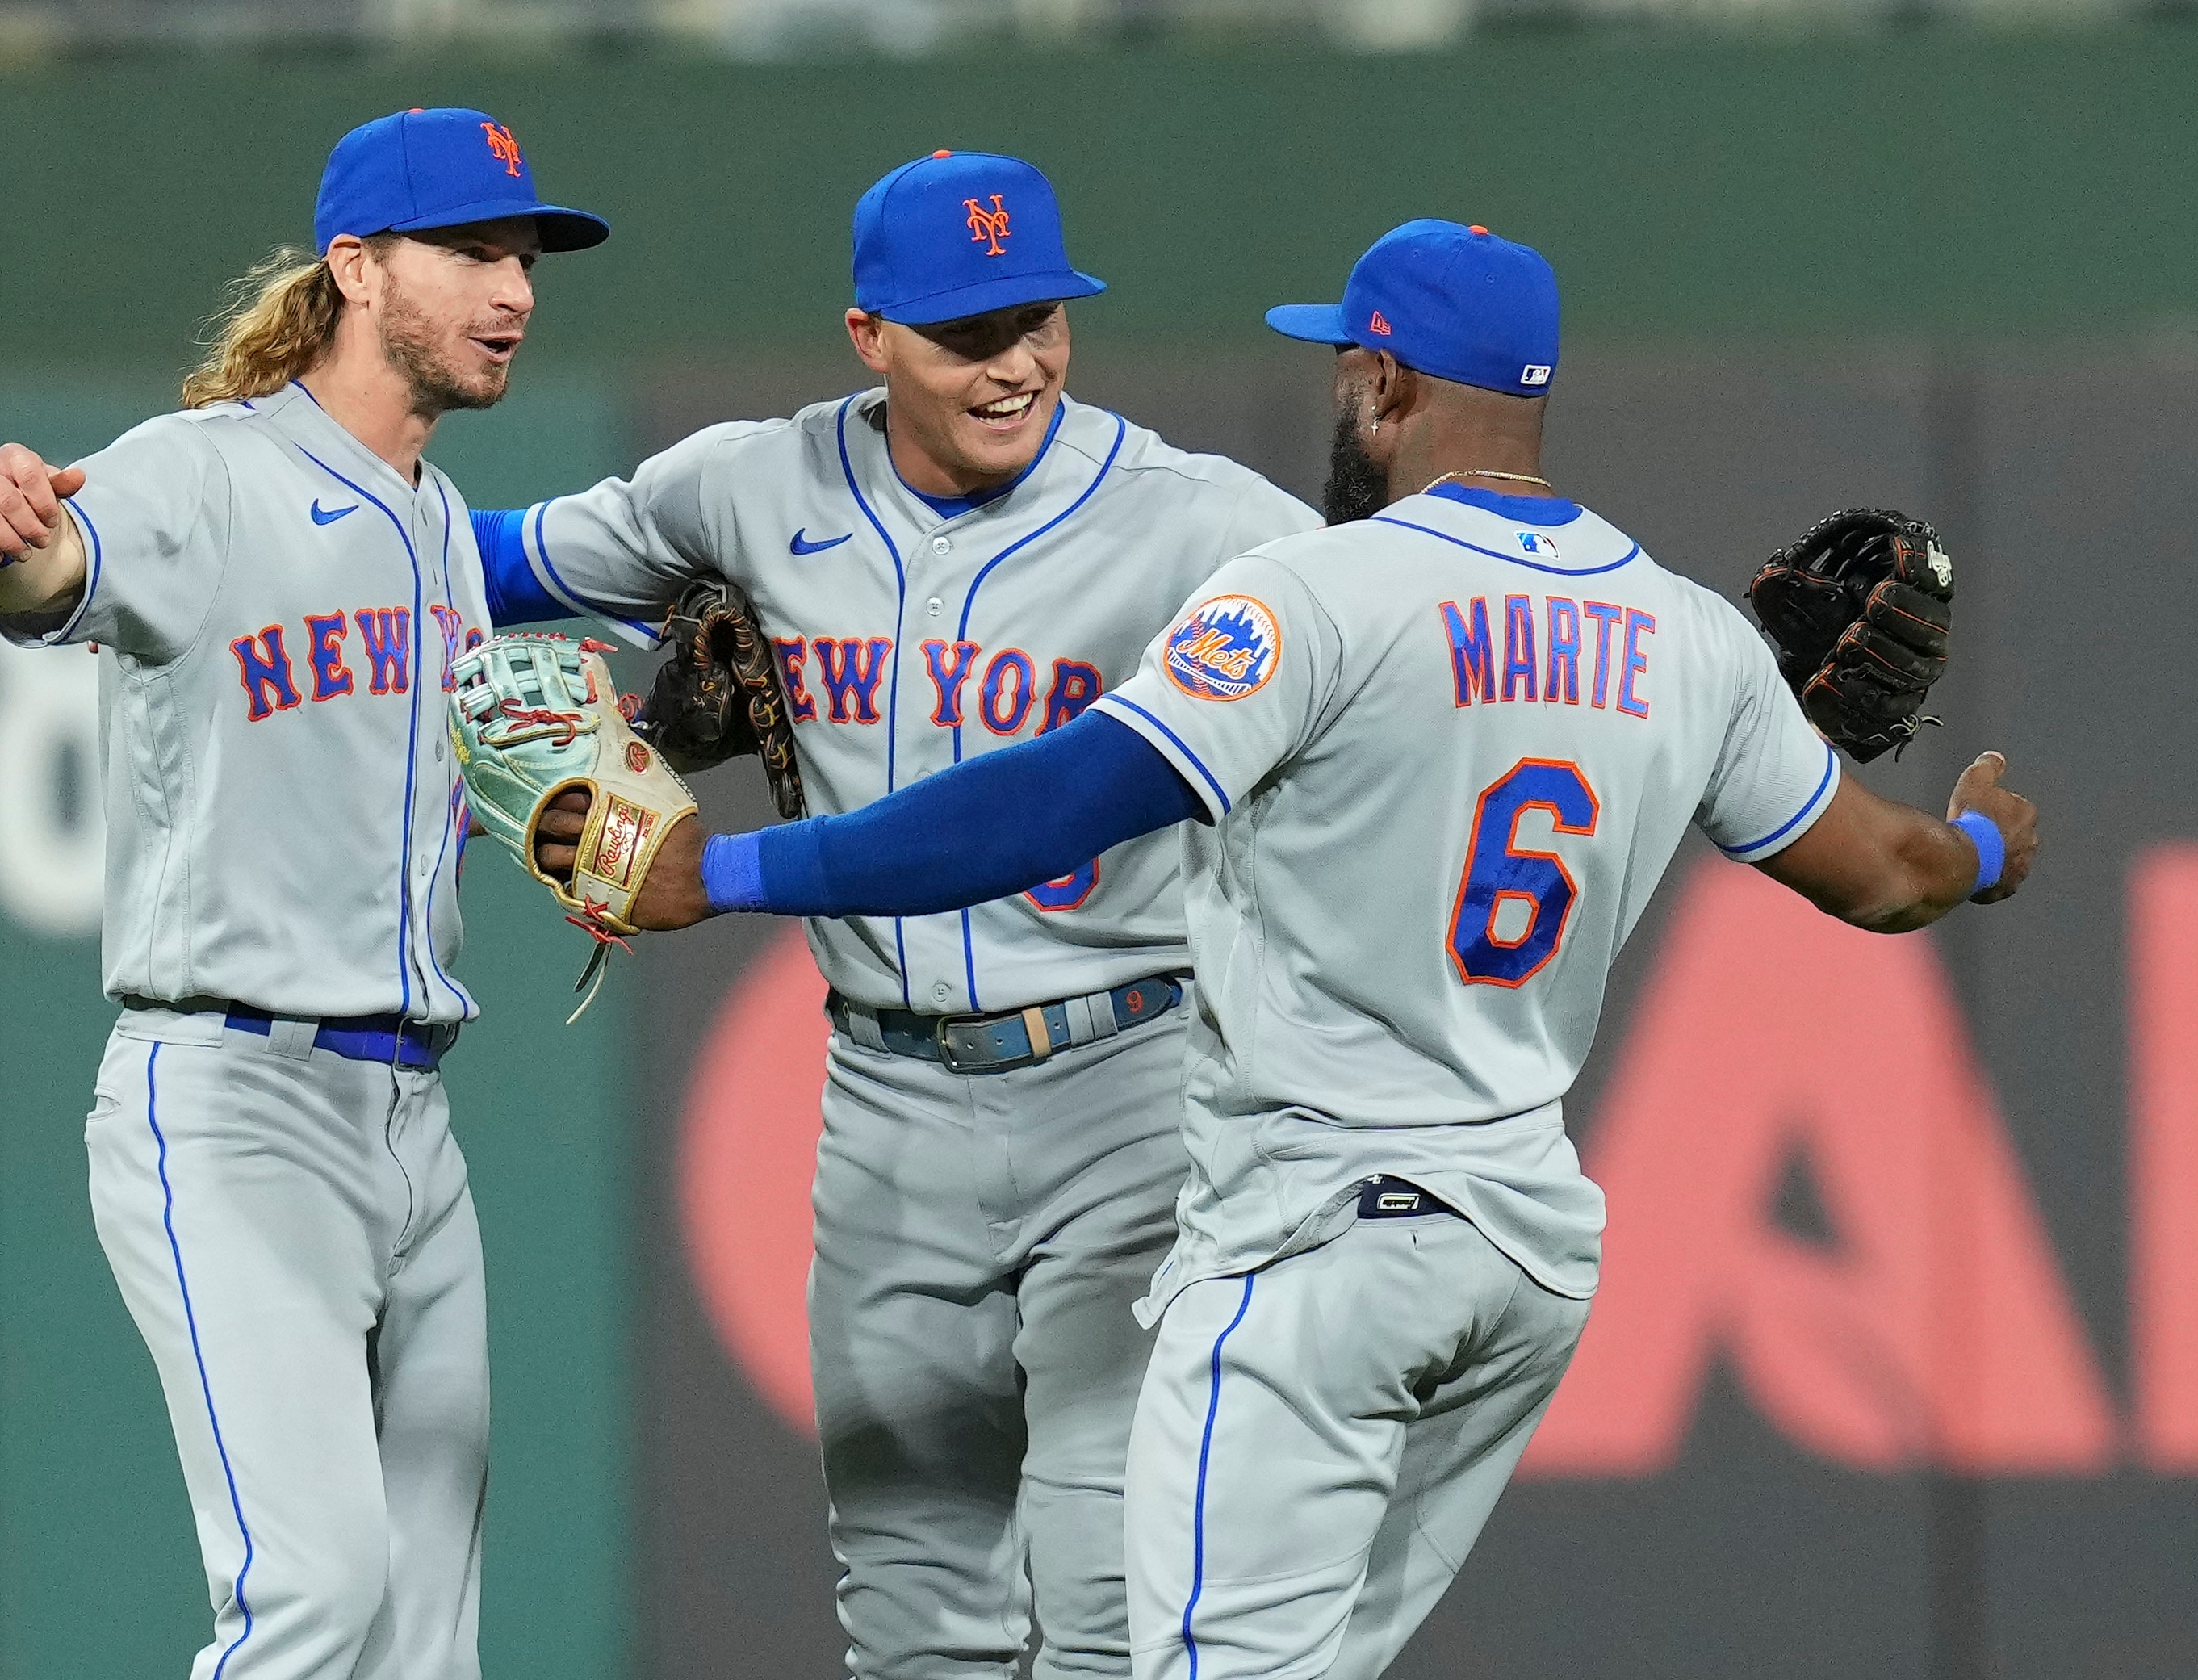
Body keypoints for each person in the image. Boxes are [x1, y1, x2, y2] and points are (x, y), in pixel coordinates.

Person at [559, 219, 2040, 1679]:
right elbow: (1885, 878)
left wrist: (737, 865)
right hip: (1520, 1262)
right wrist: (1980, 848)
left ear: (1385, 387)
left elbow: (1052, 799)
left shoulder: (1315, 594)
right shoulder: (1684, 636)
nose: (1338, 394)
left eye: (1346, 365)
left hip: (1316, 1244)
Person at [474, 150, 1318, 1678]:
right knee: (910, 1608)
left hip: (1130, 1087)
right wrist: (156, 521)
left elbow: (1424, 647)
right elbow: (466, 562)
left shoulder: (1203, 522)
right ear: (870, 336)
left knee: (1104, 1597)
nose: (1016, 364)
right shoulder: (748, 484)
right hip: (882, 1101)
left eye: (1038, 320)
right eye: (967, 333)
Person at [0, 107, 606, 1680]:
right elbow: (47, 580)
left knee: (425, 1641)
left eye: (524, 254)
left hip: (410, 1123)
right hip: (233, 1102)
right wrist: (0, 543)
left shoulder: (443, 522)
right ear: (358, 266)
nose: (512, 287)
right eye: (471, 250)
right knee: (311, 1596)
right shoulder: (207, 472)